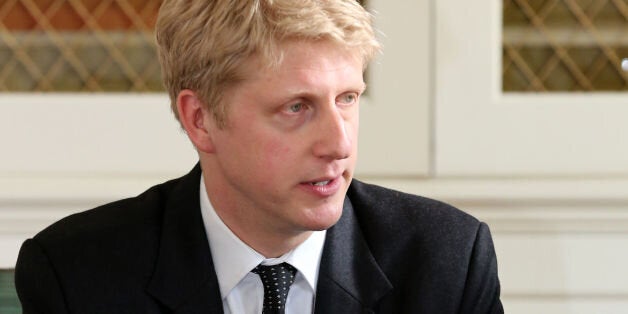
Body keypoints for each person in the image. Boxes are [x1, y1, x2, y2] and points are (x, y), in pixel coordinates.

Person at [15, 0, 503, 313]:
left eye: (348, 99)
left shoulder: (446, 263)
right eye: (297, 107)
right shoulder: (76, 277)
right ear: (200, 118)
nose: (340, 144)